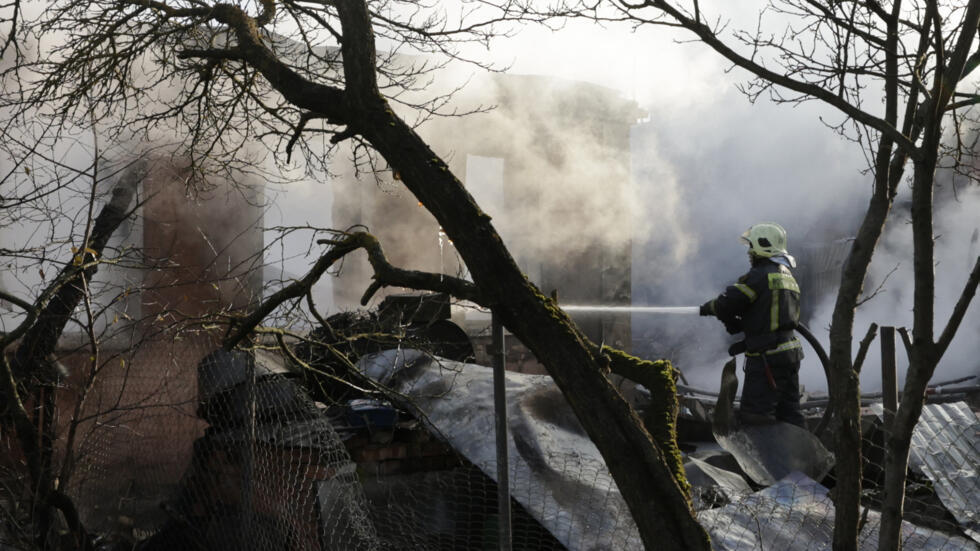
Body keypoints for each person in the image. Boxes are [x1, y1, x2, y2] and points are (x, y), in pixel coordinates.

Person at [699, 222, 806, 427]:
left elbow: (727, 303)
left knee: (756, 416)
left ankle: (765, 457)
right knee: (790, 414)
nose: (749, 252)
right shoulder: (787, 276)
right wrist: (740, 324)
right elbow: (767, 313)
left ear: (762, 246)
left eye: (751, 246)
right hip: (790, 354)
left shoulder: (759, 276)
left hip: (768, 358)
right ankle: (804, 457)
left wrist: (710, 308)